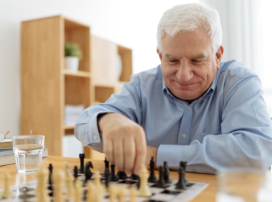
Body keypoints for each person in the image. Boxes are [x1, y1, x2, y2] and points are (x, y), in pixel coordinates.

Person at [75, 3, 272, 174]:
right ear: (161, 56)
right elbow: (83, 124)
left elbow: (255, 153)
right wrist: (108, 120)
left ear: (218, 56)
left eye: (197, 60)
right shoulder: (142, 85)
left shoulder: (239, 82)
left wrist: (155, 155)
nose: (184, 75)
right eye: (173, 60)